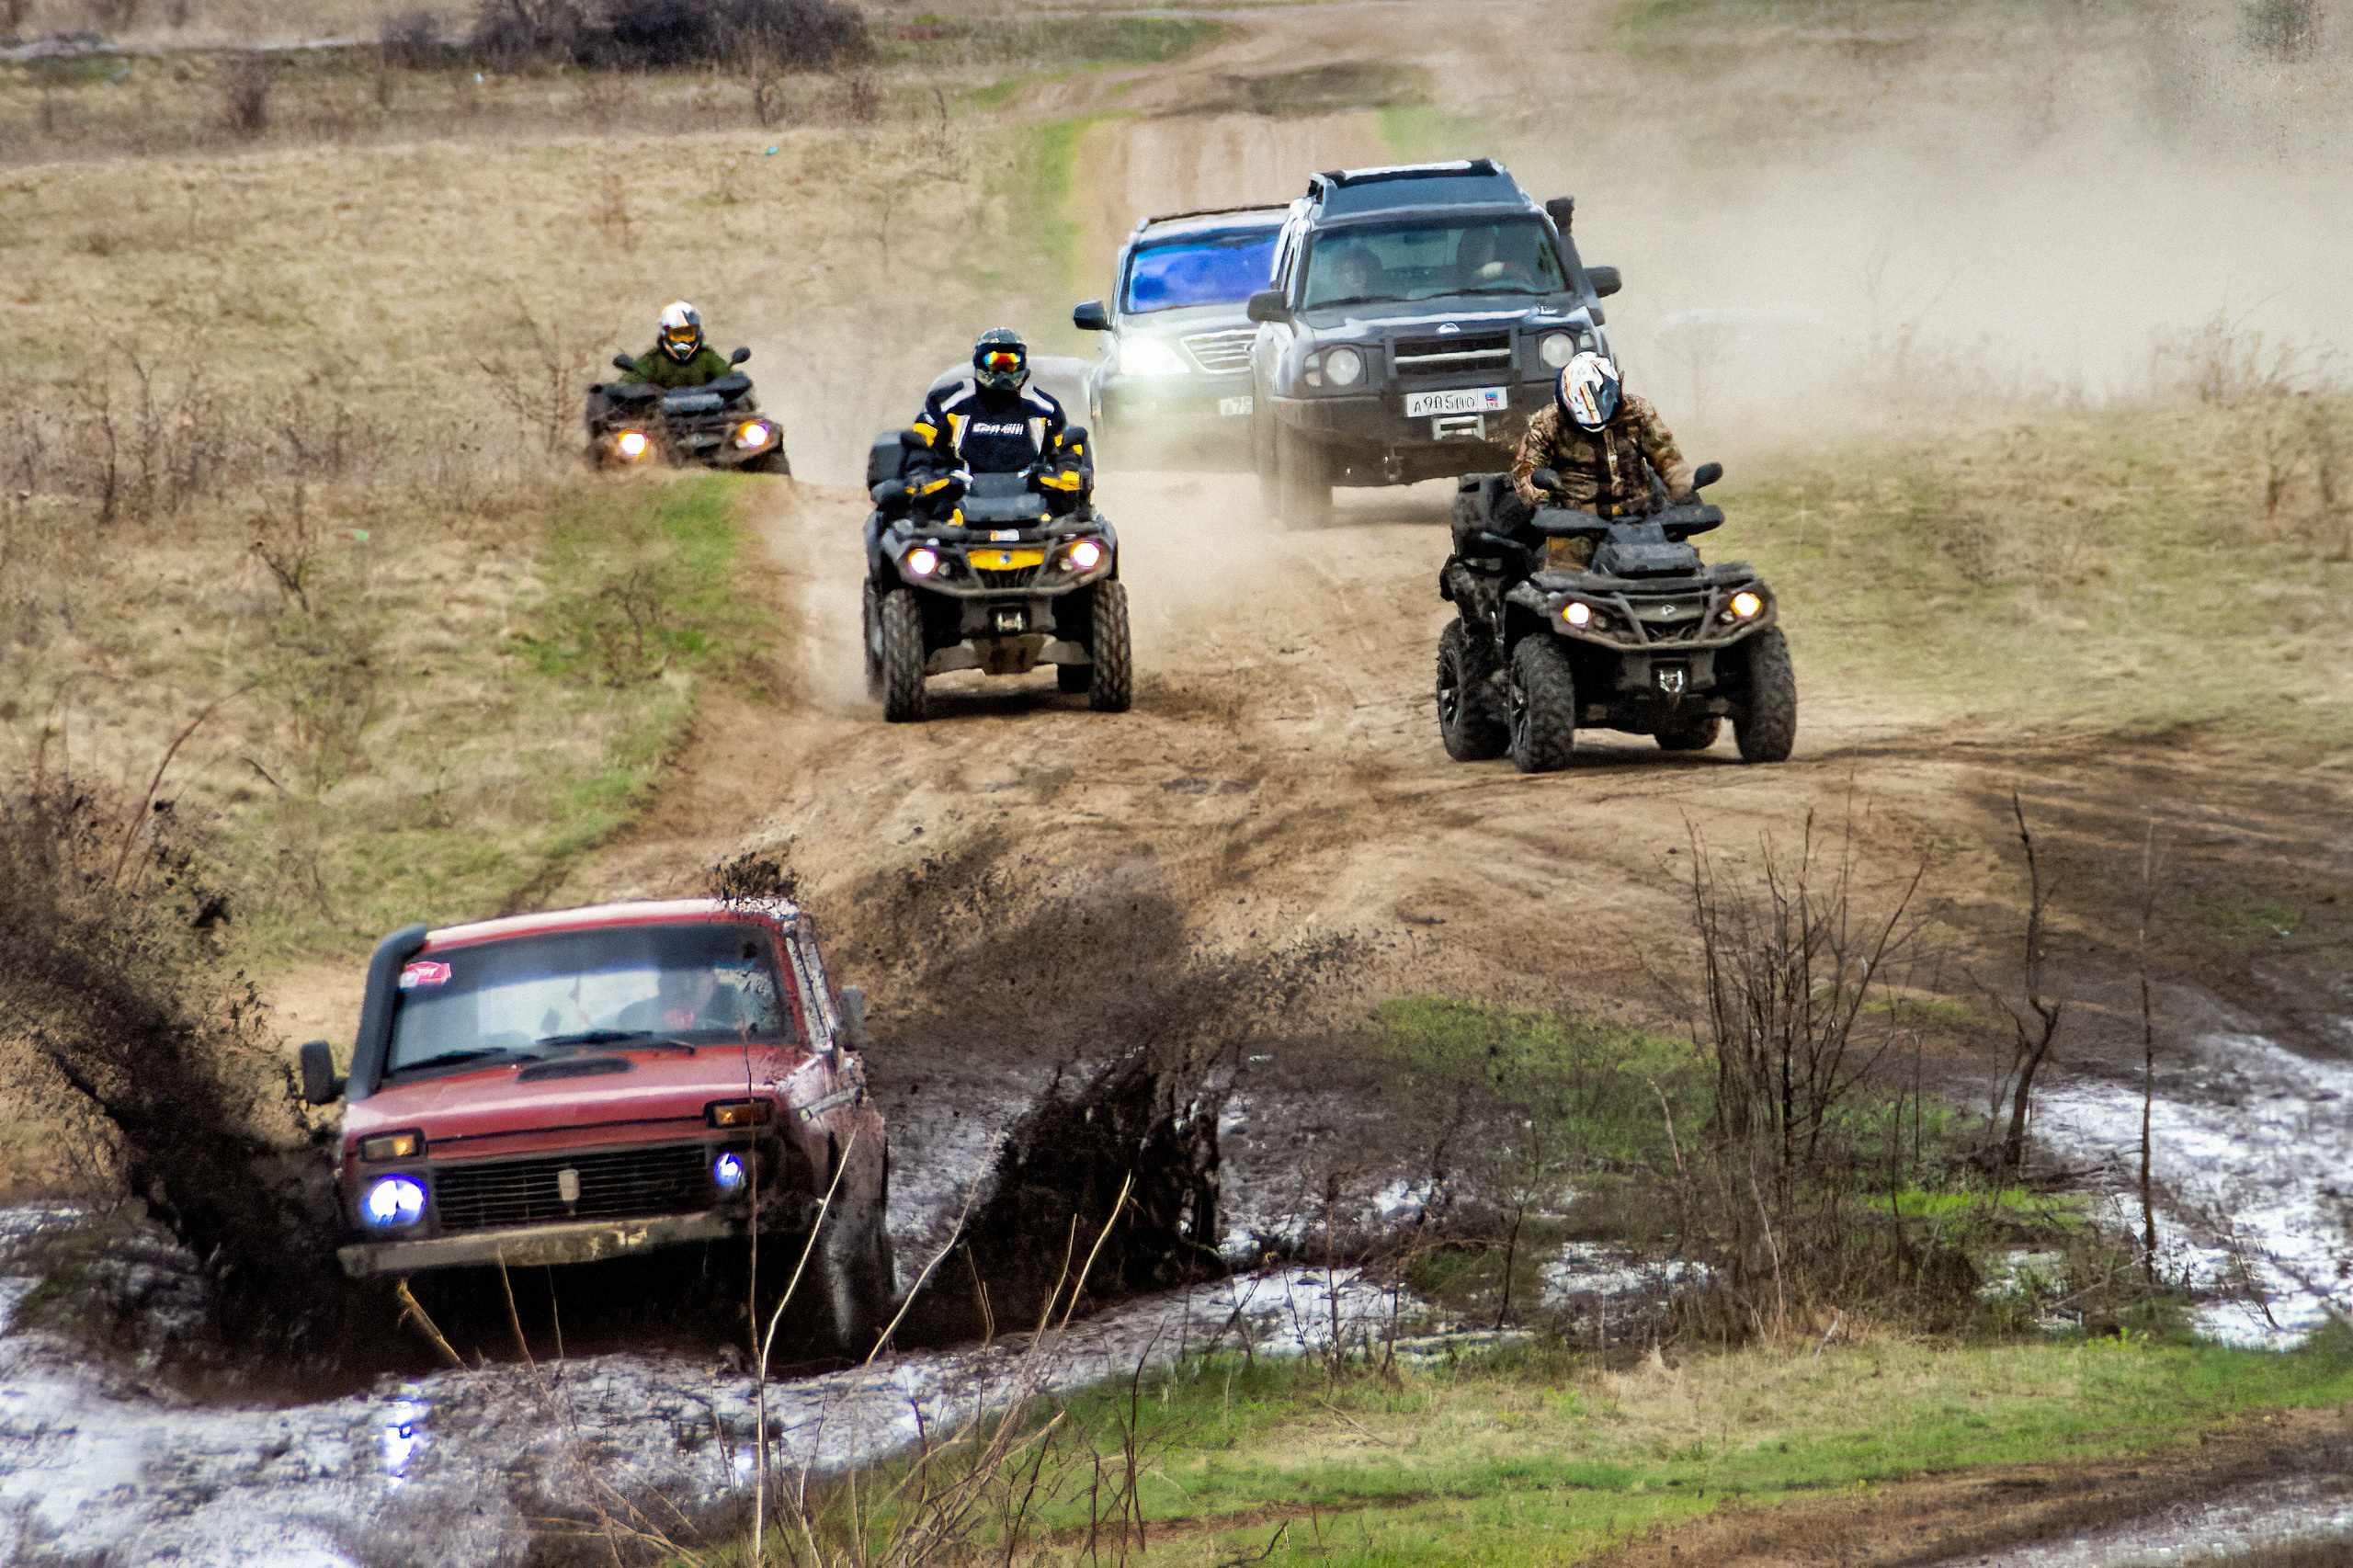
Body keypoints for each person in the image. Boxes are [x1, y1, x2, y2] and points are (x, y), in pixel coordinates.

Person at [1510, 350, 1694, 563]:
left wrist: (1685, 492)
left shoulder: (1638, 412)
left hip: (1640, 521)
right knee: (1563, 577)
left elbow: (1668, 458)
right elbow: (1526, 468)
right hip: (1576, 525)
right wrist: (1543, 502)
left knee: (1676, 565)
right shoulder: (1547, 423)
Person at [903, 328, 1071, 517]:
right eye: (996, 363)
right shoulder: (945, 402)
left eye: (1010, 364)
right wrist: (920, 473)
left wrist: (1068, 469)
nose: (1003, 373)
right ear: (979, 362)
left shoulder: (1045, 408)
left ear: (1022, 364)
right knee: (913, 519)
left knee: (1074, 522)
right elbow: (920, 443)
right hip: (956, 501)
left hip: (1034, 504)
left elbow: (1066, 447)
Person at [627, 301, 734, 390]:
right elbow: (628, 382)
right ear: (665, 335)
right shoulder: (653, 360)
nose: (684, 340)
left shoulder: (706, 357)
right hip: (658, 409)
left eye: (689, 334)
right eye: (677, 334)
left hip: (709, 409)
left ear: (698, 334)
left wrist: (730, 381)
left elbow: (728, 377)